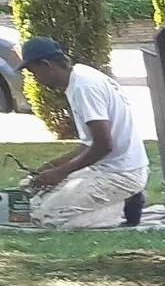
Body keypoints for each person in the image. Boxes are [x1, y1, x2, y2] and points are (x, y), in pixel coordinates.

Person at [14, 37, 148, 228]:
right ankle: (120, 199)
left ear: (47, 65)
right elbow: (90, 143)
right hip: (105, 169)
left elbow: (104, 145)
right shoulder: (80, 77)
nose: (36, 79)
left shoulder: (84, 87)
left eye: (34, 73)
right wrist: (52, 166)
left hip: (121, 174)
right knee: (31, 193)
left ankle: (122, 206)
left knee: (47, 219)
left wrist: (61, 172)